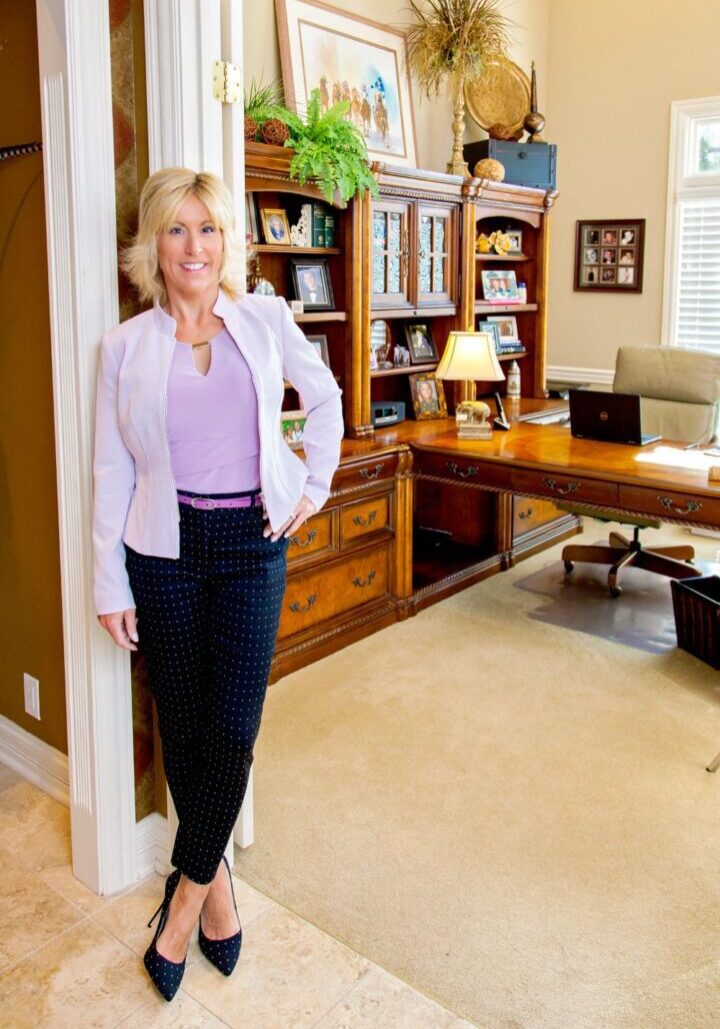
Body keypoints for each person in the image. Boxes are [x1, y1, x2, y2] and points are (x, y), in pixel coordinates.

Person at [93, 168, 343, 1001]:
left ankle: (181, 904)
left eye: (208, 229)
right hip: (160, 552)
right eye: (176, 230)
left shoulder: (264, 318)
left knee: (233, 731)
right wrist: (109, 582)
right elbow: (111, 470)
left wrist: (310, 489)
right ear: (152, 247)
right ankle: (221, 886)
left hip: (248, 542)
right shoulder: (124, 347)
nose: (193, 247)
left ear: (227, 242)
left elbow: (325, 395)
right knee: (188, 724)